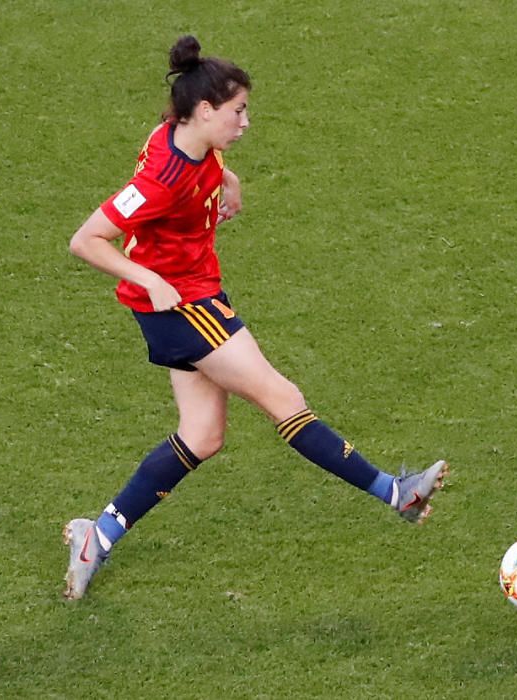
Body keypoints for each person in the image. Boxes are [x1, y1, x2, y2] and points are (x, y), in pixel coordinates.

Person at [62, 35, 448, 600]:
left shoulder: (184, 139)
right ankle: (397, 494)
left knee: (203, 435)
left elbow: (205, 163)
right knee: (284, 399)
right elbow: (86, 239)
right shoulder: (161, 179)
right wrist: (152, 280)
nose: (245, 122)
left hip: (181, 303)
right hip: (186, 306)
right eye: (238, 111)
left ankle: (97, 536)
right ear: (205, 110)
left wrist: (228, 180)